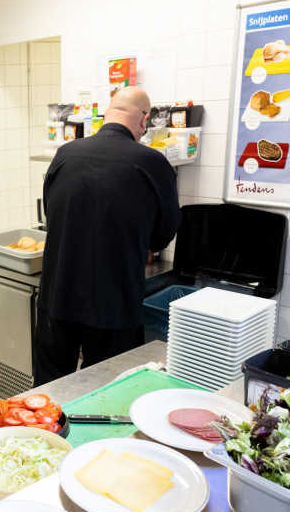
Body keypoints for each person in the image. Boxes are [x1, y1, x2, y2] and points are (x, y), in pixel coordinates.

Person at [33, 87, 181, 385]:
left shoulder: (66, 153)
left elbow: (51, 213)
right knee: (104, 389)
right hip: (113, 302)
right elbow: (163, 234)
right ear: (144, 119)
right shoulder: (152, 163)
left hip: (57, 296)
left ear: (107, 113)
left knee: (49, 387)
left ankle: (45, 431)